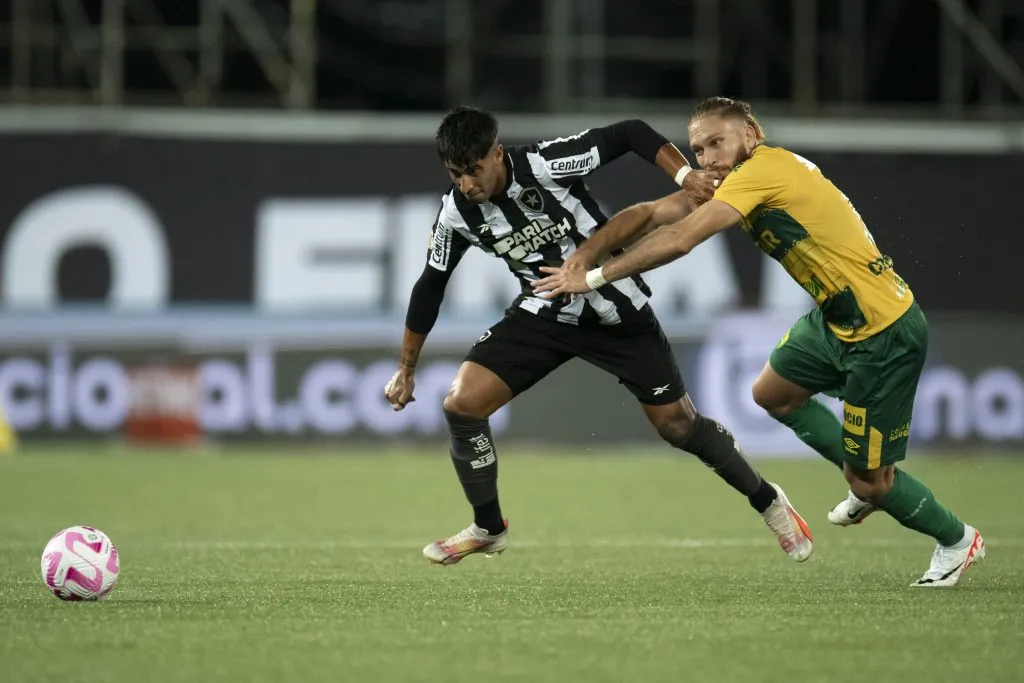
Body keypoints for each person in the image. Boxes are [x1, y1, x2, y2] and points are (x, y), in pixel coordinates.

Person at [532, 97, 984, 587]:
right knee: (772, 393)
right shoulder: (735, 179)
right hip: (837, 319)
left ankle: (956, 539)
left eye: (716, 143)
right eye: (698, 149)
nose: (705, 158)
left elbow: (682, 238)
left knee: (870, 483)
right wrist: (584, 254)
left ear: (749, 135)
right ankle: (864, 468)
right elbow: (650, 214)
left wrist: (597, 276)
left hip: (882, 331)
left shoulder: (764, 170)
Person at [385, 105, 815, 567]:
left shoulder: (545, 164)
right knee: (461, 403)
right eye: (455, 174)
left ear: (496, 154)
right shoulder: (455, 215)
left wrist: (684, 174)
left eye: (473, 171)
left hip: (617, 309)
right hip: (545, 313)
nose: (467, 185)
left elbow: (629, 134)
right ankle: (488, 528)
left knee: (679, 427)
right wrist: (406, 369)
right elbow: (430, 285)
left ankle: (769, 501)